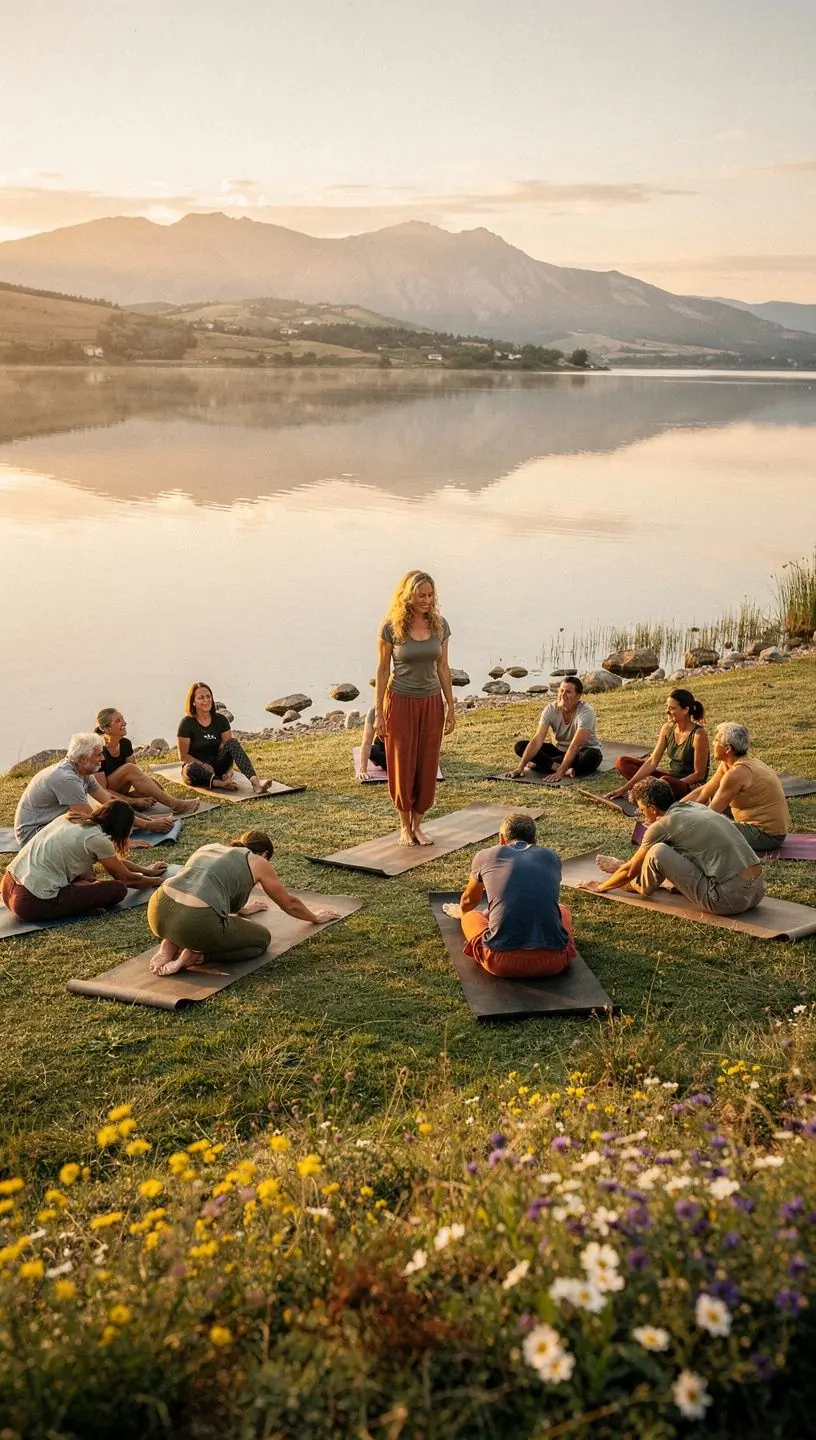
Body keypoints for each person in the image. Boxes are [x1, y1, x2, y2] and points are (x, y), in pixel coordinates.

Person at [147, 829, 341, 976]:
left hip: (158, 909)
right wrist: (314, 917)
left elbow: (201, 887)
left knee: (185, 911)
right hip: (196, 920)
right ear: (264, 854)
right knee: (261, 940)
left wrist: (245, 909)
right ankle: (196, 956)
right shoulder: (258, 862)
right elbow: (288, 903)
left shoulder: (209, 847)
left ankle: (168, 946)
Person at [581, 776, 764, 916]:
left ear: (652, 808)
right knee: (672, 848)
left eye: (642, 810)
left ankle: (632, 881)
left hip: (727, 900)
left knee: (657, 851)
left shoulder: (662, 825)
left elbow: (630, 871)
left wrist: (601, 886)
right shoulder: (694, 807)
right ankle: (627, 870)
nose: (642, 815)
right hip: (757, 892)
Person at [374, 571, 455, 845]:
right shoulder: (391, 627)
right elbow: (383, 670)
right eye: (421, 595)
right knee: (402, 763)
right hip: (400, 701)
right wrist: (379, 715)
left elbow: (443, 668)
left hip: (431, 702)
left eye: (430, 595)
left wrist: (451, 707)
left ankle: (419, 825)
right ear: (408, 595)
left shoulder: (440, 625)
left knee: (427, 761)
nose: (427, 600)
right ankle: (404, 826)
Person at [442, 812, 576, 977]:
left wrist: (464, 913)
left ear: (501, 838)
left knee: (470, 916)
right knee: (563, 911)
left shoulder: (485, 856)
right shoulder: (551, 856)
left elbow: (469, 900)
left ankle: (481, 919)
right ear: (534, 840)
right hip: (554, 961)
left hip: (500, 962)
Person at [2, 801, 165, 923]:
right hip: (30, 902)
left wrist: (147, 872)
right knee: (118, 889)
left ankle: (80, 889)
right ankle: (82, 894)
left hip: (8, 885)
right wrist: (159, 882)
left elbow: (113, 860)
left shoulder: (71, 819)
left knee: (87, 874)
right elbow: (126, 879)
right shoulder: (96, 839)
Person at [13, 733, 174, 846]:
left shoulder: (83, 772)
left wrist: (148, 822)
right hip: (34, 834)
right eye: (98, 755)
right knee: (90, 830)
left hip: (51, 824)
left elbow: (111, 802)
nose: (103, 759)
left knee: (109, 815)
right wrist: (121, 840)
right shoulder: (67, 779)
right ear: (83, 758)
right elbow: (89, 820)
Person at [681, 722, 789, 853]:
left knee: (704, 832)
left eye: (716, 741)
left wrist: (679, 825)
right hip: (756, 826)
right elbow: (704, 791)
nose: (713, 744)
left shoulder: (737, 773)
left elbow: (709, 815)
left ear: (728, 749)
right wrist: (675, 810)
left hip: (767, 836)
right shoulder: (729, 764)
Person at [605, 688, 709, 801]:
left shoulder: (699, 735)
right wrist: (624, 788)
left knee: (665, 781)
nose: (667, 711)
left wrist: (662, 785)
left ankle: (652, 791)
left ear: (685, 710)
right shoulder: (667, 728)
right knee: (622, 762)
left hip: (687, 785)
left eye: (672, 708)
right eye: (667, 707)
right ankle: (650, 791)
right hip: (669, 778)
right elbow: (652, 762)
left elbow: (699, 775)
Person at [94, 708, 199, 815]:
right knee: (129, 769)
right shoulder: (98, 750)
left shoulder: (125, 744)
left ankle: (126, 806)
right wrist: (133, 800)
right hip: (104, 799)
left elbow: (134, 776)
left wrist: (143, 793)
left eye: (122, 719)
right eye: (118, 721)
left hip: (121, 793)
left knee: (156, 788)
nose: (124, 723)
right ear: (107, 729)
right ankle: (177, 805)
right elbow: (101, 790)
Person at [177, 683, 274, 794]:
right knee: (190, 769)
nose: (206, 700)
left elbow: (230, 751)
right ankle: (222, 784)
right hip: (197, 768)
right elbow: (183, 756)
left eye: (208, 696)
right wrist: (203, 765)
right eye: (201, 697)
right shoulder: (186, 723)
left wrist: (228, 773)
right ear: (193, 702)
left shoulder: (220, 720)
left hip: (217, 765)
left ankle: (256, 783)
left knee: (232, 742)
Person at [510, 677, 602, 782]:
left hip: (582, 752)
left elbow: (576, 745)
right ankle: (564, 768)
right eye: (561, 690)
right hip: (560, 752)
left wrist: (560, 773)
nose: (563, 695)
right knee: (521, 746)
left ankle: (545, 765)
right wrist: (520, 767)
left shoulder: (586, 712)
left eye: (568, 692)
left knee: (590, 758)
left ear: (578, 696)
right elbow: (538, 739)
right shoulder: (550, 709)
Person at [357, 705, 388, 781]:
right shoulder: (373, 711)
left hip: (401, 746)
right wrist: (362, 770)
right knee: (373, 752)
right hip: (383, 742)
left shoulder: (403, 706)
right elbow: (367, 742)